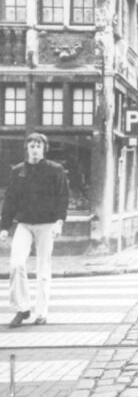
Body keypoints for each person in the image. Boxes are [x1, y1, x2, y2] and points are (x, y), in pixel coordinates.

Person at [0, 132, 69, 328]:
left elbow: (62, 197)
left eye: (38, 145)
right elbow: (11, 199)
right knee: (16, 264)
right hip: (24, 224)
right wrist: (4, 226)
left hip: (47, 224)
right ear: (27, 149)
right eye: (31, 145)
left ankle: (41, 313)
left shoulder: (56, 170)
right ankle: (22, 308)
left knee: (43, 269)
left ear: (44, 149)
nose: (35, 148)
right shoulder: (18, 171)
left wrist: (59, 221)